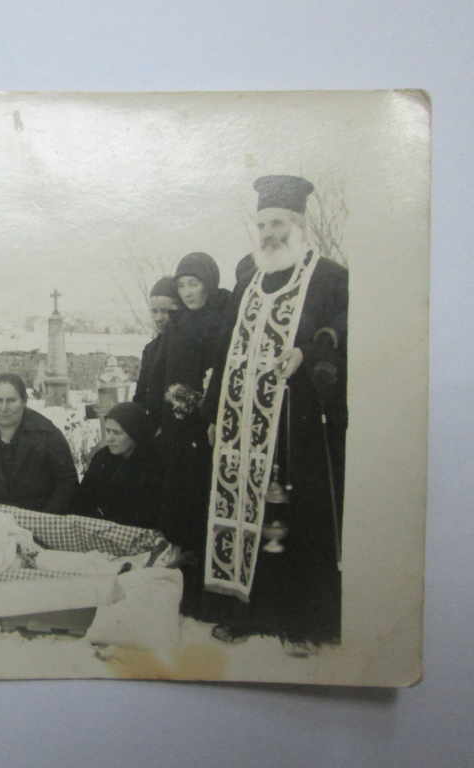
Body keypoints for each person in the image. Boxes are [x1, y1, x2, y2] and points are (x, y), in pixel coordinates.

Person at [203, 175, 347, 655]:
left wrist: (308, 352)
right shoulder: (248, 281)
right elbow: (224, 352)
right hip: (240, 425)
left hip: (299, 426)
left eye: (278, 222)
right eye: (262, 223)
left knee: (295, 519)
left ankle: (302, 622)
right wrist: (210, 411)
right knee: (245, 512)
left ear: (300, 224)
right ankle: (245, 611)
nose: (269, 232)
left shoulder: (329, 277)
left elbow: (343, 332)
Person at [147, 251, 231, 618]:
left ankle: (205, 592)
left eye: (194, 283)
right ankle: (178, 588)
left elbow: (222, 371)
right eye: (182, 285)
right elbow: (160, 372)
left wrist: (207, 411)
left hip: (206, 425)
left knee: (203, 503)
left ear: (208, 284)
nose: (188, 292)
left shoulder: (220, 321)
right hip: (176, 428)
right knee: (178, 502)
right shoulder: (177, 327)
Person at [0, 373, 78, 515]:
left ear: (24, 401)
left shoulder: (46, 433)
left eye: (11, 400)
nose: (4, 408)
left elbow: (67, 482)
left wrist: (44, 517)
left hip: (37, 517)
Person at [73, 402, 162, 528]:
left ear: (134, 434)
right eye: (108, 431)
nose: (109, 438)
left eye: (117, 433)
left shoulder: (152, 464)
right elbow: (83, 498)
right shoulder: (102, 458)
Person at [133, 276, 180, 423]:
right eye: (154, 311)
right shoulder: (151, 349)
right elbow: (140, 396)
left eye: (165, 311)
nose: (159, 318)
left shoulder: (191, 345)